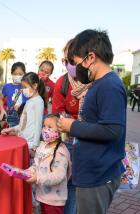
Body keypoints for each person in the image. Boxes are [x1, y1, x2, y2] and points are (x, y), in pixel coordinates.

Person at [57, 29, 126, 214]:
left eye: (76, 62)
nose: (74, 68)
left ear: (90, 58)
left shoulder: (109, 85)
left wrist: (72, 126)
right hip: (91, 171)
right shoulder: (99, 84)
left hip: (98, 174)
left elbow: (112, 130)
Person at [52, 39, 91, 214]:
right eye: (68, 60)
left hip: (91, 139)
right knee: (71, 181)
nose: (71, 64)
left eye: (74, 59)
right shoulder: (62, 83)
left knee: (87, 183)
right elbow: (57, 114)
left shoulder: (96, 81)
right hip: (70, 138)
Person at [25, 114, 71, 214]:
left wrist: (37, 178)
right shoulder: (42, 145)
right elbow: (36, 164)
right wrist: (29, 172)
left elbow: (58, 176)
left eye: (49, 127)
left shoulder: (60, 152)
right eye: (44, 126)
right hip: (42, 196)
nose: (45, 129)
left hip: (54, 201)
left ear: (60, 130)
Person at [1, 72, 46, 151]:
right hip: (24, 140)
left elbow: (38, 125)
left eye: (25, 87)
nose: (23, 90)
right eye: (23, 87)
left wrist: (35, 145)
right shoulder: (29, 101)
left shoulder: (38, 102)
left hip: (31, 143)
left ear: (35, 86)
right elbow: (24, 123)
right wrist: (11, 129)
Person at [0, 62, 27, 126]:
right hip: (11, 116)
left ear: (24, 74)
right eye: (15, 74)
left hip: (25, 115)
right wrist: (2, 110)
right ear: (11, 74)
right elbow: (0, 100)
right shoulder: (7, 86)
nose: (17, 76)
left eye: (20, 74)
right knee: (11, 133)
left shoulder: (27, 87)